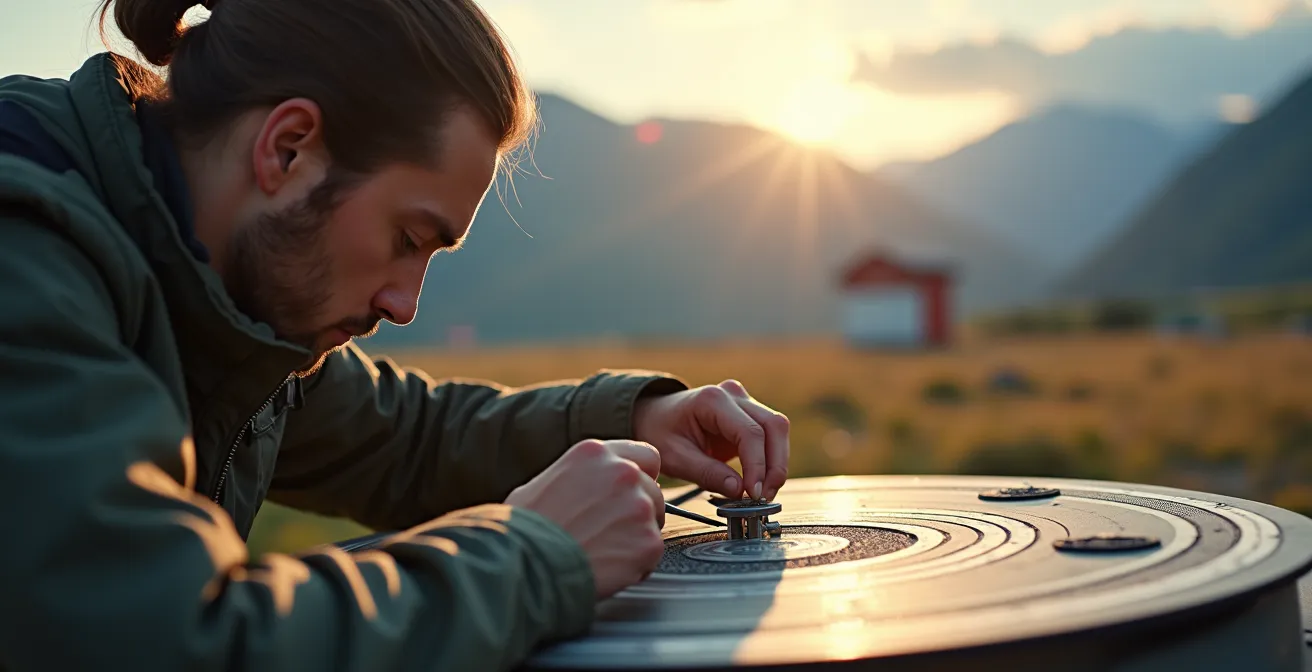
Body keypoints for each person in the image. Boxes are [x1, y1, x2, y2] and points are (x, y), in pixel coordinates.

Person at [0, 0, 790, 669]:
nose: (405, 303)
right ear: (288, 148)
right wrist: (536, 558)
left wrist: (633, 420)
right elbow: (162, 639)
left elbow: (400, 439)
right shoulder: (25, 250)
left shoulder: (211, 280)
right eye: (408, 237)